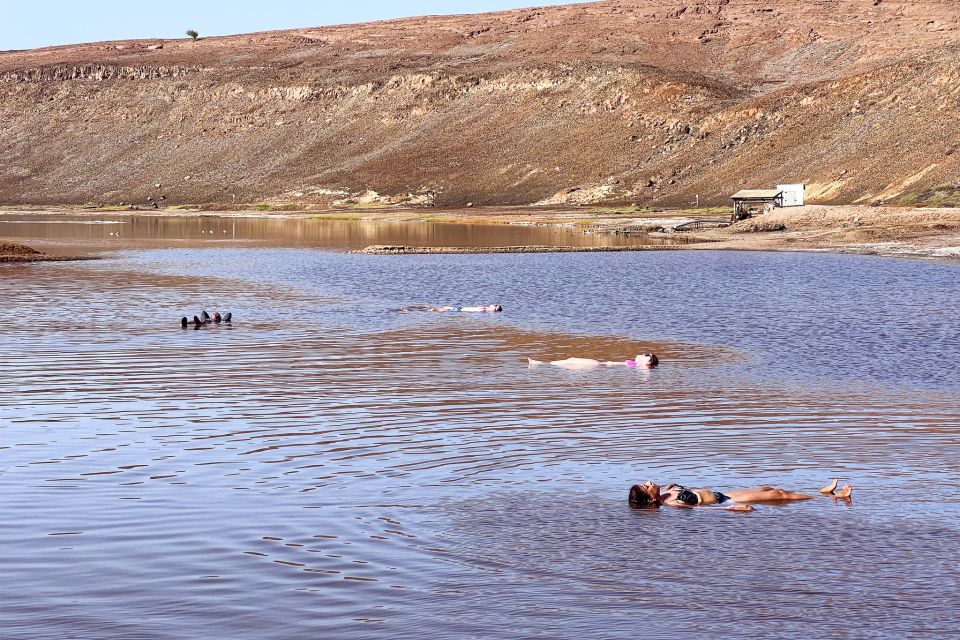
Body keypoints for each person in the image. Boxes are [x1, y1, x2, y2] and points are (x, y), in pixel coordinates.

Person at [628, 478, 852, 512]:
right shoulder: (674, 505)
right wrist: (733, 509)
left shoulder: (667, 491)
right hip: (729, 501)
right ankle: (834, 497)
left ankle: (821, 492)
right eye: (647, 486)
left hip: (722, 493)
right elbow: (704, 511)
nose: (649, 482)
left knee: (767, 488)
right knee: (778, 494)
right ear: (650, 498)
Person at [528, 353, 659, 368]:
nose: (642, 354)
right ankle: (538, 363)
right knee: (570, 362)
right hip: (599, 364)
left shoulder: (638, 366)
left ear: (648, 362)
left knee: (571, 361)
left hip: (598, 365)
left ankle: (538, 364)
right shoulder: (635, 365)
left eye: (646, 355)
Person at [401, 304, 502, 313]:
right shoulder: (484, 309)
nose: (494, 304)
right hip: (456, 309)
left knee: (432, 310)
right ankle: (410, 309)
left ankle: (409, 310)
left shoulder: (483, 310)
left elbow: (468, 310)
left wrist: (451, 309)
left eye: (496, 306)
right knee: (431, 309)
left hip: (456, 310)